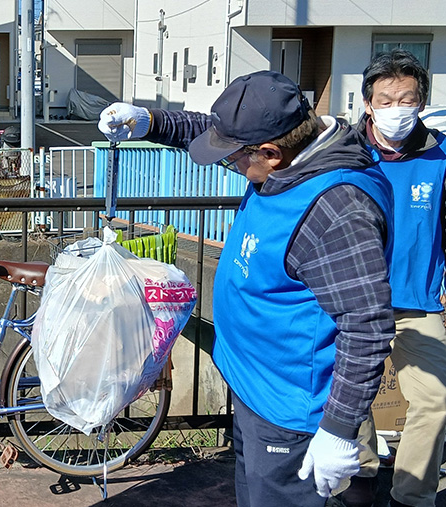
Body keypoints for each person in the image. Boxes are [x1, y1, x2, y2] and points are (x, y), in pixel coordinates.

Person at [98, 71, 396, 507]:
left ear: (272, 153)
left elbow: (367, 326)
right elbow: (216, 134)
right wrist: (149, 122)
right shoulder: (292, 157)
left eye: (236, 158)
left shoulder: (338, 208)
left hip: (290, 411)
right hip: (257, 388)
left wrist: (338, 429)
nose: (232, 166)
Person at [340, 49, 446, 507]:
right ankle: (359, 482)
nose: (396, 109)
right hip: (353, 298)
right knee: (352, 398)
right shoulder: (346, 151)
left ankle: (412, 496)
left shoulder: (441, 151)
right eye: (386, 99)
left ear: (421, 102)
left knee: (436, 398)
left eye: (407, 99)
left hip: (418, 300)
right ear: (367, 102)